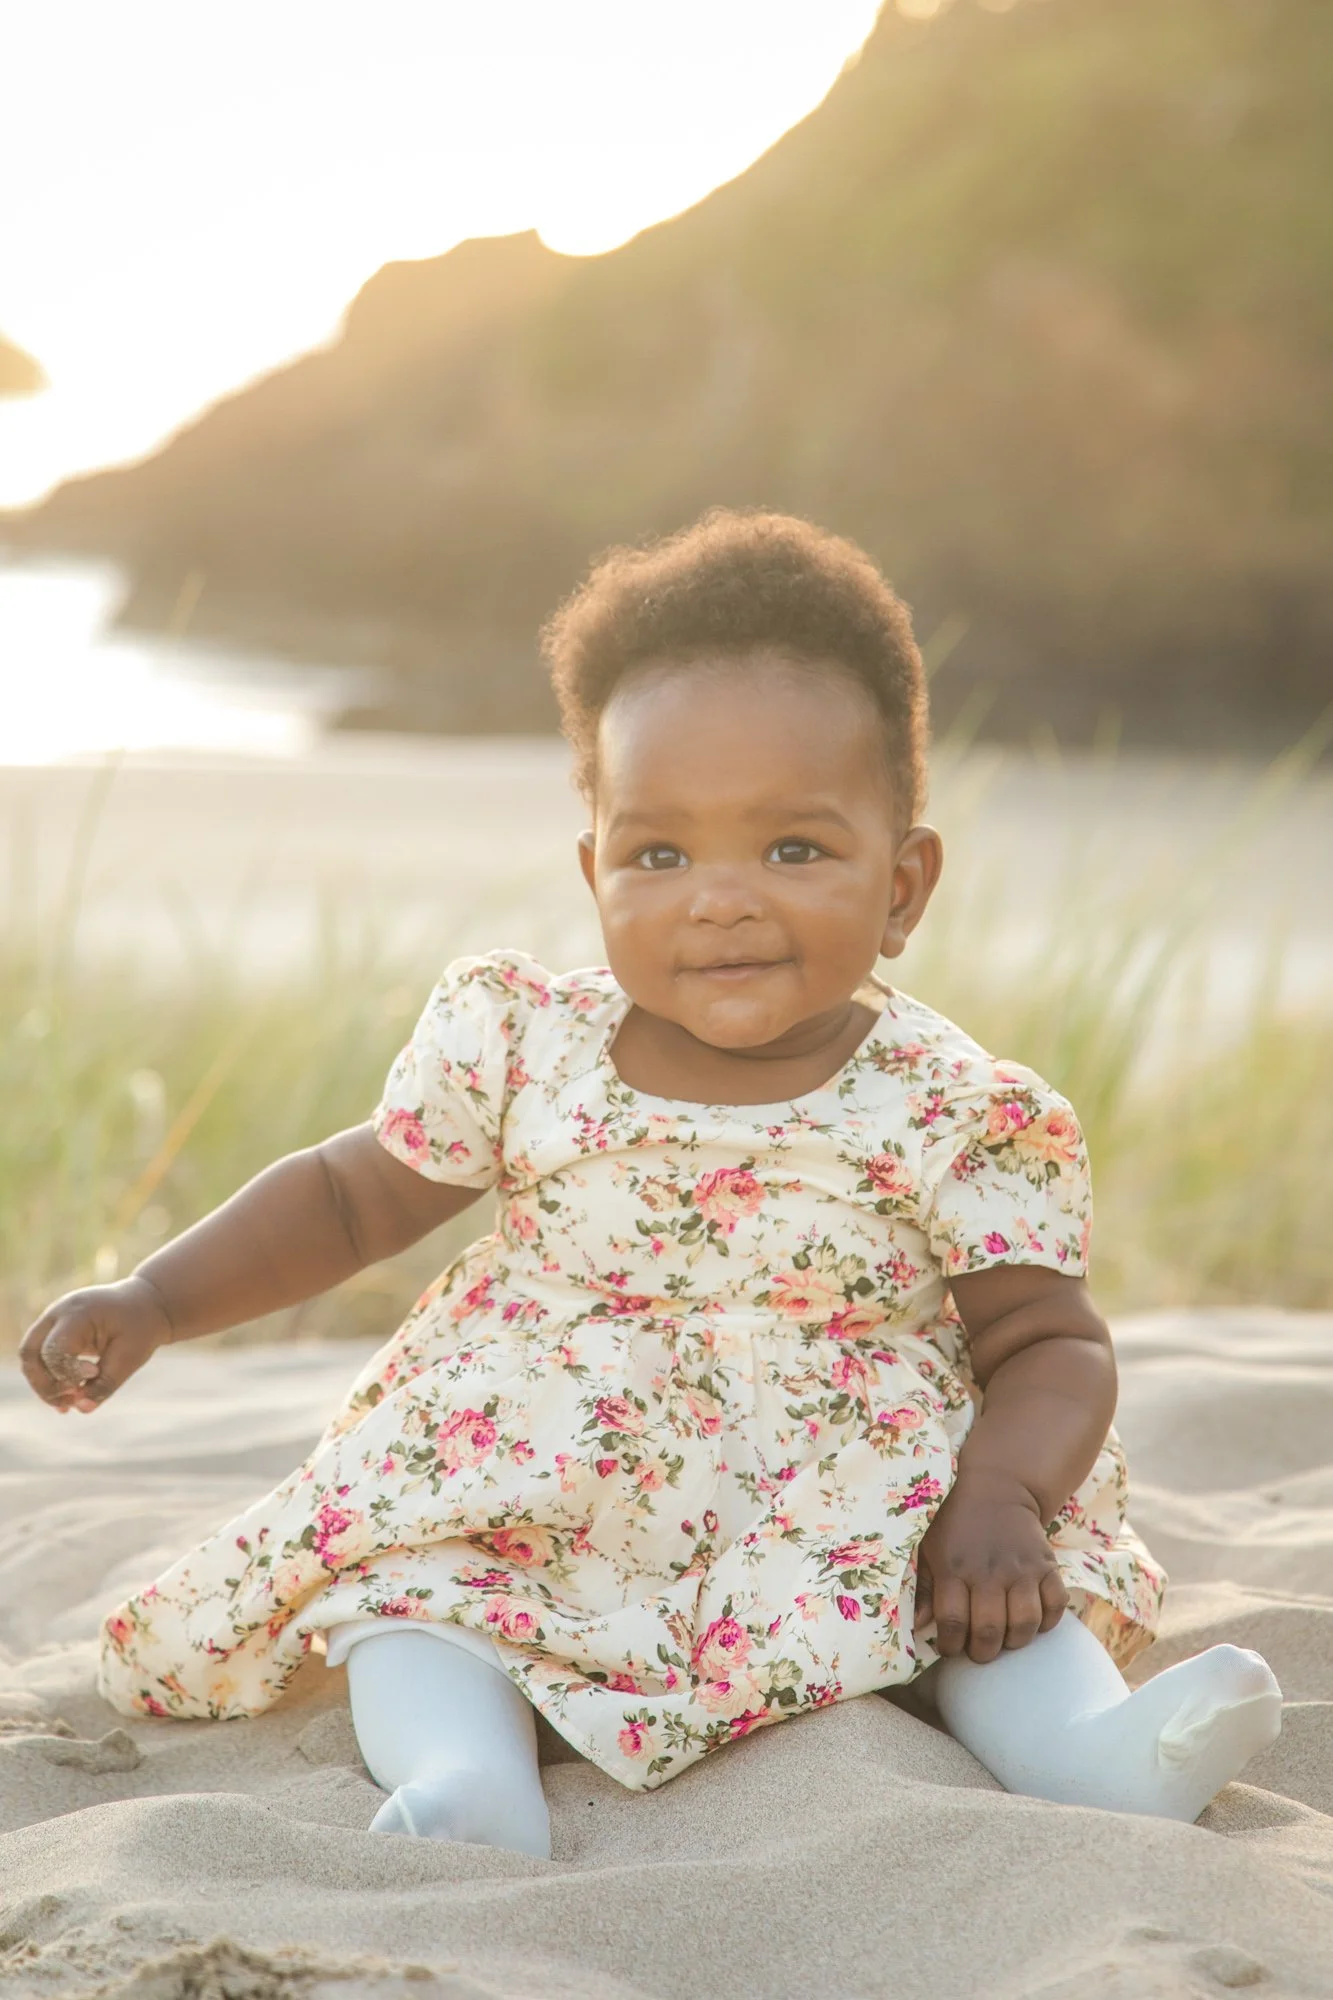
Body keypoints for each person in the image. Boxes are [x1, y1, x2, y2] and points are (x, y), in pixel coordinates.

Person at [20, 510, 1281, 1860]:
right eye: (660, 855)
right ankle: (465, 1783)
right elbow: (346, 1200)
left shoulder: (953, 1107)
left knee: (978, 1610)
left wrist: (1003, 1500)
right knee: (411, 1594)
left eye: (793, 850)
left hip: (840, 1495)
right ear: (594, 872)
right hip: (543, 1477)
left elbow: (1048, 1341)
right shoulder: (520, 1041)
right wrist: (157, 1298)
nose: (720, 900)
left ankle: (1098, 1756)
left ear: (904, 885)